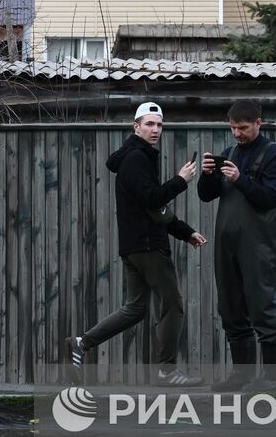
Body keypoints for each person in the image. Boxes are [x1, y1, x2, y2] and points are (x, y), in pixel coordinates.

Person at [66, 102, 208, 387]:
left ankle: (82, 342)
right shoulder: (136, 158)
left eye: (159, 125)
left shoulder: (137, 157)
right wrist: (181, 180)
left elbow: (155, 209)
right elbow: (154, 199)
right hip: (146, 246)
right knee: (172, 304)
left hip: (135, 246)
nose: (155, 130)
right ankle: (167, 371)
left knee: (136, 308)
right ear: (136, 127)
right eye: (149, 124)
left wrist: (185, 232)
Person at [197, 99, 276, 392]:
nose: (237, 133)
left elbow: (270, 197)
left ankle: (275, 378)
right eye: (233, 127)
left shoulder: (272, 155)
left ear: (258, 124)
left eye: (243, 128)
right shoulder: (230, 153)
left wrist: (240, 179)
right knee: (231, 309)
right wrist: (208, 175)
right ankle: (242, 374)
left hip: (260, 244)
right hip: (227, 244)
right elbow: (206, 196)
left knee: (263, 307)